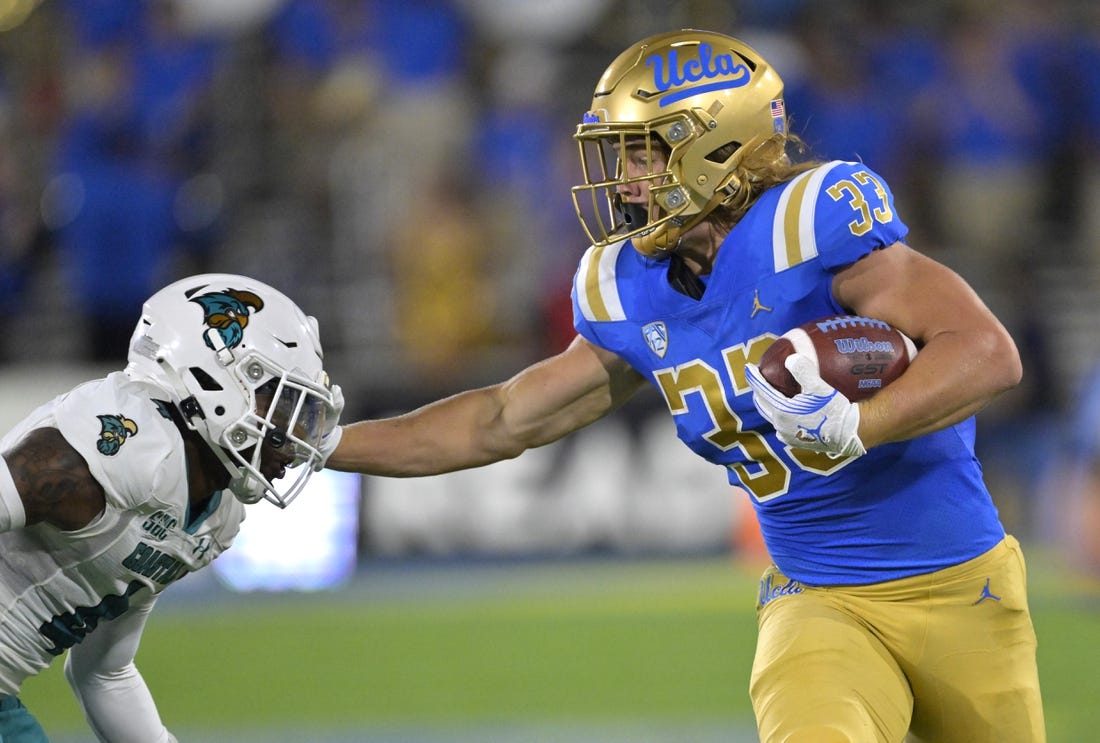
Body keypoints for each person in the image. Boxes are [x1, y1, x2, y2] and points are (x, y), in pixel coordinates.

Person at [323, 29, 1045, 742]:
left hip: (965, 589)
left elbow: (987, 352)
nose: (624, 177)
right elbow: (501, 418)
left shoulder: (810, 225)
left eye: (643, 150)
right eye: (618, 152)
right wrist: (323, 442)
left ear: (719, 145)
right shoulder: (629, 288)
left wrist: (863, 424)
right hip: (819, 603)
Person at [0, 273, 339, 741]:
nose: (297, 438)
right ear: (215, 381)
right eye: (281, 406)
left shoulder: (214, 513)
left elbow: (105, 672)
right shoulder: (119, 448)